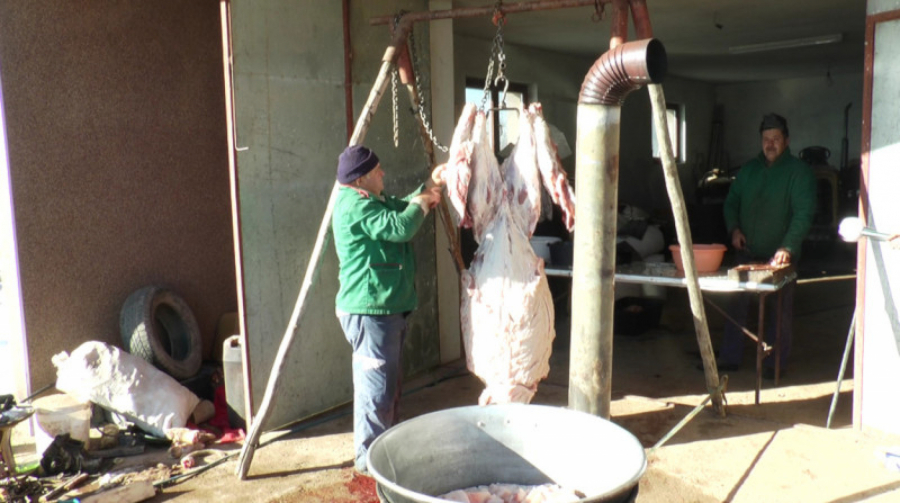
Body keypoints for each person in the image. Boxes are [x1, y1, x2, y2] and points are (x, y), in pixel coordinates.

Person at [331, 144, 445, 475]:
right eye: (377, 170)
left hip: (384, 311)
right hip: (370, 312)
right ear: (361, 179)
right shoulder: (355, 205)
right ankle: (369, 461)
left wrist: (429, 185)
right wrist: (422, 204)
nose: (383, 173)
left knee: (387, 387)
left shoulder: (370, 199)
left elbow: (400, 207)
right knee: (376, 389)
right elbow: (400, 226)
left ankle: (383, 452)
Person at [716, 113, 817, 378]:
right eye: (766, 139)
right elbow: (731, 203)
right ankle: (729, 358)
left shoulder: (799, 173)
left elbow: (804, 214)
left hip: (780, 257)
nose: (770, 144)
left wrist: (788, 247)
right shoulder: (748, 170)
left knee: (779, 311)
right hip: (747, 252)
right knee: (736, 305)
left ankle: (774, 365)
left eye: (776, 138)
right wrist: (734, 229)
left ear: (787, 141)